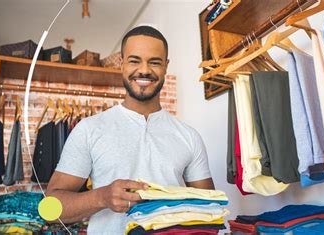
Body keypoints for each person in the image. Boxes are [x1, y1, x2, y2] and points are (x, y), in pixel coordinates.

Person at [46, 25, 214, 234]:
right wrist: (102, 197)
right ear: (122, 64)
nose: (144, 70)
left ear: (166, 66)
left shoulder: (190, 137)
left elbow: (210, 211)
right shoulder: (89, 129)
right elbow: (50, 208)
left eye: (154, 62)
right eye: (134, 60)